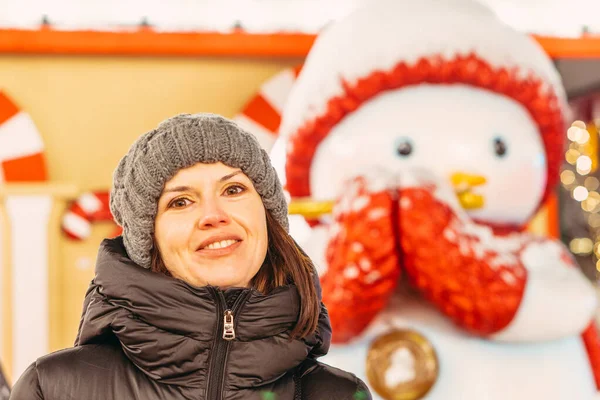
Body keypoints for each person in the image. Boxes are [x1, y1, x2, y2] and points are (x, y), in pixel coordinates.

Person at [10, 113, 371, 400]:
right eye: (180, 201)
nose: (213, 215)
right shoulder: (55, 389)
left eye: (233, 189)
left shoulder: (337, 394)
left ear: (267, 216)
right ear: (149, 241)